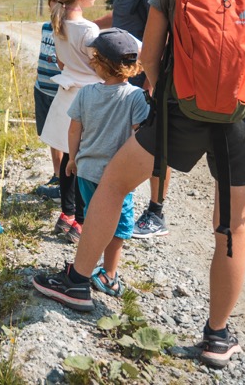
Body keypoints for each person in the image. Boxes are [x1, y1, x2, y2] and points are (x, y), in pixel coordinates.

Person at [32, 0, 245, 370]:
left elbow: (148, 59)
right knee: (232, 226)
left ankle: (76, 281)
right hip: (241, 119)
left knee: (112, 182)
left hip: (178, 113)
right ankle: (216, 336)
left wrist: (166, 86)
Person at [57, 29, 150, 299]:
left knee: (96, 219)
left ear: (99, 63)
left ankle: (86, 265)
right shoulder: (135, 97)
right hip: (119, 178)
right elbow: (137, 135)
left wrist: (72, 158)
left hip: (86, 171)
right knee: (119, 226)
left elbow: (74, 130)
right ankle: (109, 274)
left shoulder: (86, 94)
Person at [91, 0, 168, 239]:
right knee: (129, 146)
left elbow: (164, 34)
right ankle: (120, 203)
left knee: (154, 146)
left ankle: (156, 212)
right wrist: (86, 25)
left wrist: (153, 79)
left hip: (143, 81)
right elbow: (122, 19)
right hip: (125, 79)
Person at [39, 0, 108, 242]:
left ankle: (66, 214)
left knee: (69, 156)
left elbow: (63, 61)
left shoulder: (59, 24)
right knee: (86, 161)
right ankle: (81, 220)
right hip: (90, 99)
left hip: (67, 96)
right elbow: (100, 66)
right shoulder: (88, 29)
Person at [33, 0, 64, 200]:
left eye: (59, 2)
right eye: (53, 1)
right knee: (50, 136)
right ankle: (56, 174)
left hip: (59, 92)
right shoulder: (45, 28)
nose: (55, 6)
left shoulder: (69, 31)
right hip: (41, 88)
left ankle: (65, 180)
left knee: (63, 137)